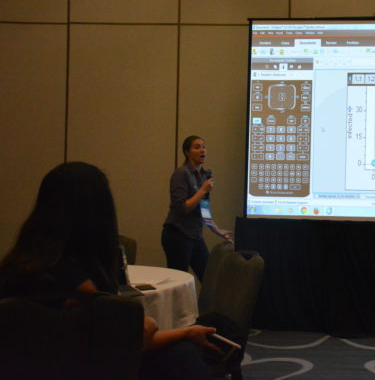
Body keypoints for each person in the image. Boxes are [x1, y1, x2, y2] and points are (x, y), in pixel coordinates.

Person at [0, 162, 219, 380]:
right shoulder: (80, 285)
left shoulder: (18, 266)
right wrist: (175, 330)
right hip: (85, 368)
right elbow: (132, 339)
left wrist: (184, 332)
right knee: (182, 356)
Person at [162, 135, 232, 282]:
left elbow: (204, 209)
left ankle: (206, 306)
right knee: (178, 282)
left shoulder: (203, 176)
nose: (202, 150)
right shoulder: (181, 173)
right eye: (197, 147)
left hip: (195, 236)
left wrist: (217, 230)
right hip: (178, 234)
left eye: (204, 146)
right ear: (187, 152)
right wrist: (202, 191)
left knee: (208, 278)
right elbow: (182, 208)